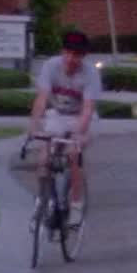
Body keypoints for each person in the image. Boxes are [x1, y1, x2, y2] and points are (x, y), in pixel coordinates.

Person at [29, 30, 102, 221]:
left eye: (76, 54)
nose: (70, 59)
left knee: (72, 154)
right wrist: (34, 126)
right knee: (44, 157)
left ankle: (76, 204)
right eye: (67, 52)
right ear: (62, 51)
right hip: (57, 115)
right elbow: (41, 99)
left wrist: (77, 134)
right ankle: (42, 198)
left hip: (81, 117)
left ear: (83, 56)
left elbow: (87, 109)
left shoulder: (90, 74)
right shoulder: (50, 66)